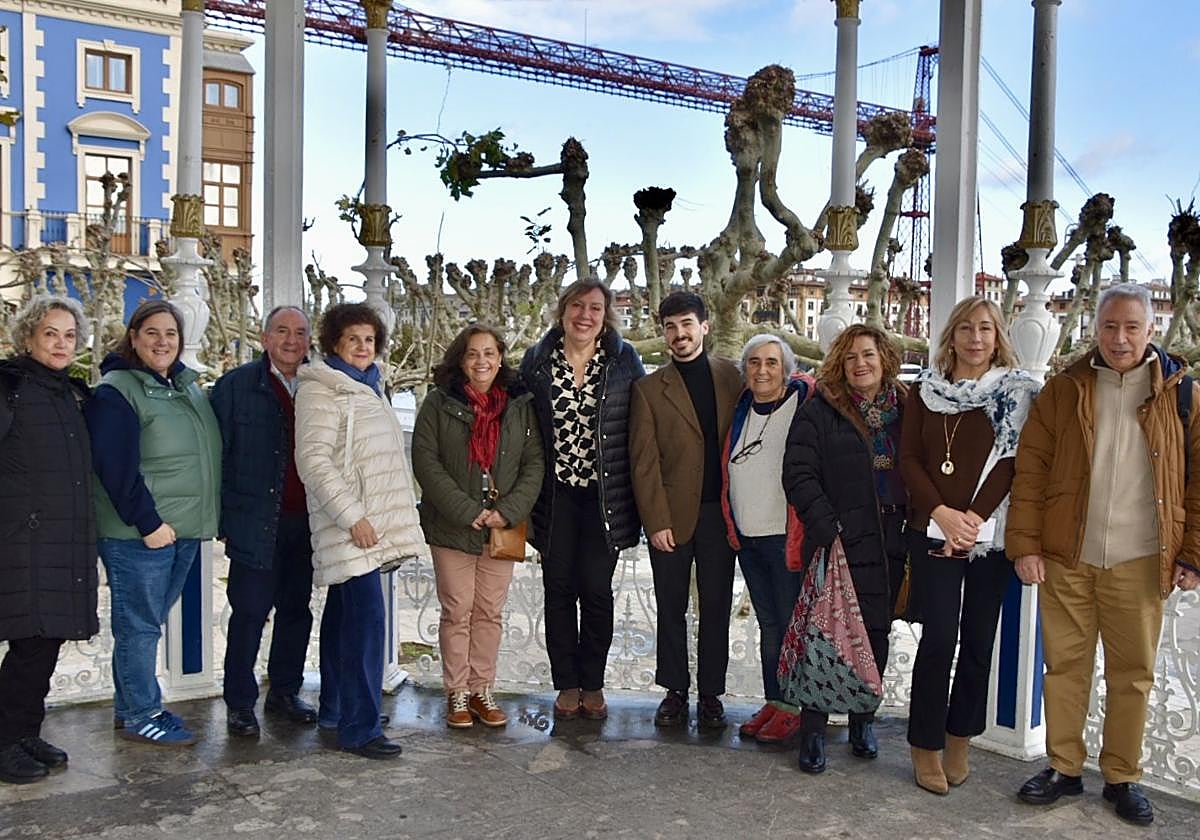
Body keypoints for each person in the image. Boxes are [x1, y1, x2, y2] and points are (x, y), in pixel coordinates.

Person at [1008, 283, 1200, 826]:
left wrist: (1192, 555)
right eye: (1110, 326)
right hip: (1068, 555)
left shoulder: (1183, 396)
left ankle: (1123, 777)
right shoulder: (1064, 390)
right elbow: (1031, 471)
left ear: (1150, 330)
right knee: (1064, 667)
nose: (1119, 338)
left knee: (1132, 673)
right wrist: (1025, 545)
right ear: (1096, 327)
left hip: (1141, 560)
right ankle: (1064, 768)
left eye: (1131, 327)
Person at [899, 296, 1038, 794]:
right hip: (932, 531)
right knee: (939, 639)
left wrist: (974, 519)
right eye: (965, 329)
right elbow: (909, 458)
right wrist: (941, 512)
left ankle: (961, 739)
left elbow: (1011, 460)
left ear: (998, 336)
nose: (976, 339)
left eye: (985, 329)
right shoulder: (925, 391)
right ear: (951, 336)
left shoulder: (1015, 392)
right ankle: (925, 746)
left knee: (978, 642)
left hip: (988, 538)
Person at [85, 300, 222, 746]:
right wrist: (147, 523)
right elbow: (114, 467)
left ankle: (130, 709)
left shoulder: (185, 386)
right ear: (134, 338)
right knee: (139, 626)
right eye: (152, 333)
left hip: (180, 530)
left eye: (171, 334)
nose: (162, 342)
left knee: (144, 624)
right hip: (141, 534)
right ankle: (144, 711)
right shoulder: (117, 390)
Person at [295, 302, 424, 760]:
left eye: (369, 340)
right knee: (366, 625)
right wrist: (353, 517)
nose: (362, 347)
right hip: (350, 529)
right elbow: (313, 461)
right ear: (334, 343)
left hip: (367, 528)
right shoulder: (321, 390)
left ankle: (337, 710)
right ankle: (360, 728)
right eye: (353, 339)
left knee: (343, 621)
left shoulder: (368, 387)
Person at [782, 324, 909, 772]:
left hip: (891, 540)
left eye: (869, 355)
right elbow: (798, 472)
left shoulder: (906, 407)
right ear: (840, 361)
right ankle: (813, 730)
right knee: (825, 634)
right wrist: (826, 526)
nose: (861, 364)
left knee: (875, 633)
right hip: (836, 543)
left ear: (884, 358)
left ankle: (862, 719)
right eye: (852, 356)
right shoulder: (821, 409)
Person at [520, 279, 645, 720]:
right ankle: (566, 684)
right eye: (577, 306)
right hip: (553, 497)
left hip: (604, 498)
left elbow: (643, 426)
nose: (585, 315)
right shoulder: (537, 361)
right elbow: (519, 423)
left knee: (595, 590)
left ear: (605, 315)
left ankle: (592, 683)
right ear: (563, 310)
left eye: (595, 308)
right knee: (558, 590)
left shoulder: (623, 360)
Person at [412, 324, 543, 728]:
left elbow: (534, 463)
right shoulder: (439, 403)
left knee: (489, 611)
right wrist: (468, 510)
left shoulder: (519, 404)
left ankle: (482, 690)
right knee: (458, 610)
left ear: (500, 358)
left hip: (504, 524)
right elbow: (426, 461)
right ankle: (457, 693)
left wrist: (509, 511)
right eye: (473, 354)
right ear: (461, 360)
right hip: (453, 524)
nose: (481, 361)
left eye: (489, 353)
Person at [630, 291, 742, 729]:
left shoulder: (733, 378)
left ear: (704, 327)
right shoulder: (648, 389)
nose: (679, 335)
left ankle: (711, 693)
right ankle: (674, 690)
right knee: (671, 604)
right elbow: (644, 462)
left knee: (716, 605)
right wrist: (655, 522)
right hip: (671, 518)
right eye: (671, 327)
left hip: (721, 515)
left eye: (687, 325)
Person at [0, 296, 97, 784]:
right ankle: (4, 742)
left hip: (65, 541)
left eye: (69, 336)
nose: (61, 344)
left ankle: (23, 733)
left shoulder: (71, 393)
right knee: (30, 644)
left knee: (46, 640)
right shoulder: (10, 386)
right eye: (50, 334)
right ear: (29, 338)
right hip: (25, 542)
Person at [211, 306, 317, 738]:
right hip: (256, 521)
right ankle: (239, 703)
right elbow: (216, 457)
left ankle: (284, 693)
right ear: (264, 336)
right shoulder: (236, 387)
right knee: (250, 613)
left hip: (306, 522)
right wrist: (222, 519)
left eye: (300, 332)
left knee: (296, 612)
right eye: (282, 331)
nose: (291, 340)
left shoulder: (319, 387)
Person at [721, 334, 812, 745]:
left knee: (792, 626)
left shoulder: (803, 405)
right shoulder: (741, 408)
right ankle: (775, 702)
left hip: (785, 538)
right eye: (754, 362)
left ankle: (795, 709)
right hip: (748, 537)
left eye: (772, 363)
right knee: (769, 624)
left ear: (786, 369)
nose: (762, 370)